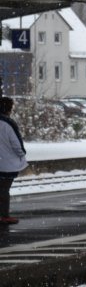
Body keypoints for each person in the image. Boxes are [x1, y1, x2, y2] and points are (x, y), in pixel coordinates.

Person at [0, 96, 28, 225]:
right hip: (7, 164)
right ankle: (4, 215)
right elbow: (17, 145)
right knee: (4, 190)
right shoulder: (8, 123)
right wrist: (22, 154)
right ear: (8, 109)